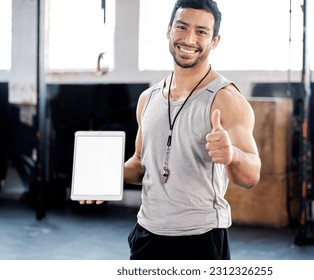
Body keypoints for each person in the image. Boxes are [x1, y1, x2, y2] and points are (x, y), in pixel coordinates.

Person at [81, 0, 261, 260]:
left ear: (215, 41)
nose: (189, 39)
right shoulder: (148, 98)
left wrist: (232, 154)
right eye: (182, 27)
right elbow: (141, 164)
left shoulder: (225, 99)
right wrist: (103, 178)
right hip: (147, 234)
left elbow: (251, 175)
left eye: (201, 31)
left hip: (201, 238)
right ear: (168, 31)